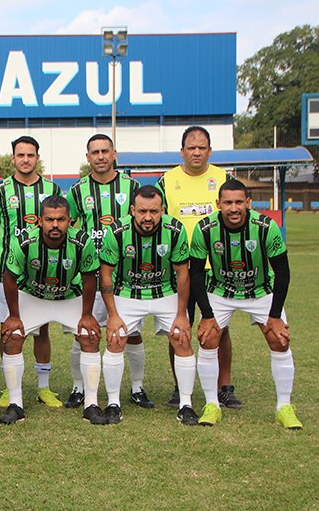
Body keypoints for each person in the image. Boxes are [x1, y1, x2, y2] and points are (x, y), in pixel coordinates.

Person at [189, 179, 302, 430]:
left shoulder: (266, 227)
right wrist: (207, 315)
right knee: (208, 338)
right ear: (218, 204)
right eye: (228, 202)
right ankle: (211, 405)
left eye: (239, 202)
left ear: (248, 203)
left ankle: (284, 407)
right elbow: (195, 272)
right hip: (220, 290)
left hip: (260, 290)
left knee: (280, 339)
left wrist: (274, 316)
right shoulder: (204, 228)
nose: (233, 208)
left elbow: (282, 272)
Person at [99, 186, 199, 426]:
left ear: (162, 210)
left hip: (164, 291)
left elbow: (183, 275)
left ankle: (186, 404)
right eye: (142, 211)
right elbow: (106, 275)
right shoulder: (117, 232)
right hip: (128, 291)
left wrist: (181, 314)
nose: (147, 217)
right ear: (132, 210)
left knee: (182, 339)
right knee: (115, 339)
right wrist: (112, 314)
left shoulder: (175, 230)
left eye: (154, 212)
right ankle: (113, 403)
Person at [156, 126, 240, 409]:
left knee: (219, 327)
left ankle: (224, 387)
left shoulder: (223, 179)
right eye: (191, 148)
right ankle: (180, 387)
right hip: (179, 268)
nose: (196, 152)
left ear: (210, 151)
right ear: (182, 151)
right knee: (179, 327)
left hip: (213, 269)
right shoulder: (166, 181)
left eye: (202, 147)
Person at [65, 134, 149, 410]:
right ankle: (79, 388)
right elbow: (69, 228)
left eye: (105, 151)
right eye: (95, 152)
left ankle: (137, 387)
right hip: (88, 274)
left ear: (114, 154)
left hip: (125, 275)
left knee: (130, 333)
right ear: (87, 157)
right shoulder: (77, 191)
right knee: (83, 332)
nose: (100, 156)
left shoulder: (132, 187)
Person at [0, 196, 101, 424]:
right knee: (12, 336)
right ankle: (15, 404)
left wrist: (87, 315)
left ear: (70, 221)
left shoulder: (82, 241)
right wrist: (14, 316)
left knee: (89, 336)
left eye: (61, 219)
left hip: (68, 295)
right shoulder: (24, 241)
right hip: (33, 295)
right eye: (49, 219)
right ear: (39, 221)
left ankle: (91, 404)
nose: (55, 225)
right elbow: (9, 277)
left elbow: (89, 279)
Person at [0, 136, 64, 409]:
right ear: (13, 158)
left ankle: (44, 388)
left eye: (30, 155)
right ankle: (9, 388)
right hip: (8, 271)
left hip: (41, 272)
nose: (25, 160)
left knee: (41, 330)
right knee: (8, 330)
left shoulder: (51, 188)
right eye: (20, 155)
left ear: (37, 158)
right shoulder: (0, 190)